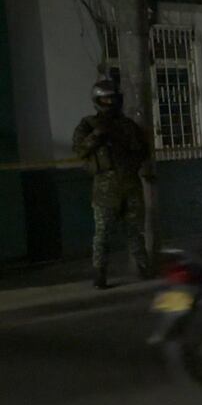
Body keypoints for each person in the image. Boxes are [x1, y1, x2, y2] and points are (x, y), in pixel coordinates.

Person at [72, 79, 152, 290]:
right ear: (97, 101)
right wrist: (98, 134)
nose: (110, 103)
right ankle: (100, 274)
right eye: (105, 99)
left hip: (130, 183)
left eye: (113, 99)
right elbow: (80, 150)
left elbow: (142, 150)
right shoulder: (88, 124)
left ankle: (144, 267)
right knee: (103, 234)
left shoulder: (127, 125)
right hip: (105, 188)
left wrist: (136, 163)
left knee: (134, 231)